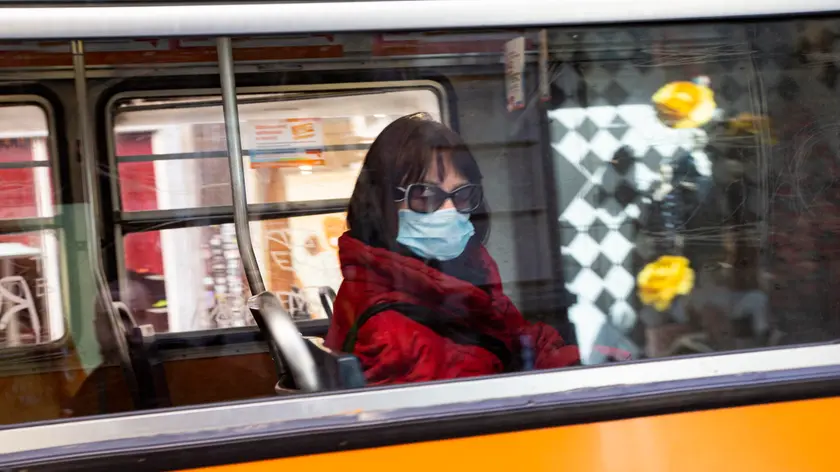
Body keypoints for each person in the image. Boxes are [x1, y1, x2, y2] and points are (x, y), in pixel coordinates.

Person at [324, 113, 580, 385]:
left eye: (462, 195)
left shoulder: (459, 277)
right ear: (380, 204)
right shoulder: (395, 332)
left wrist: (589, 364)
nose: (450, 211)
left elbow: (515, 337)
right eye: (424, 196)